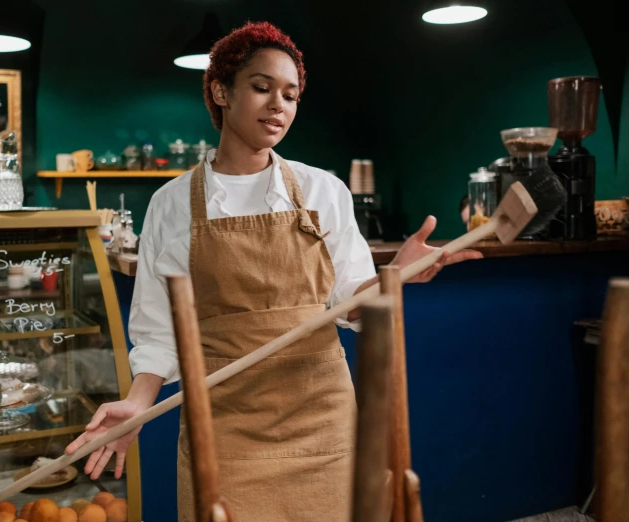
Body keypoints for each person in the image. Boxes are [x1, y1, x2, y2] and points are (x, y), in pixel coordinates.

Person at [66, 21, 482, 521]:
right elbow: (159, 329)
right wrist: (137, 403)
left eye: (291, 94)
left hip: (321, 417)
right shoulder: (172, 203)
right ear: (221, 91)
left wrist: (393, 276)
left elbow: (349, 302)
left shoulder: (324, 191)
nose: (278, 105)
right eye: (262, 88)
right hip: (221, 421)